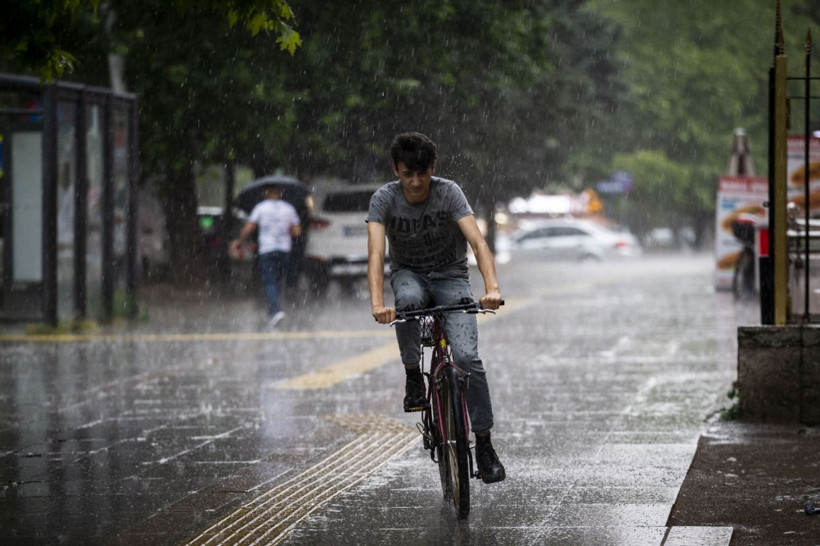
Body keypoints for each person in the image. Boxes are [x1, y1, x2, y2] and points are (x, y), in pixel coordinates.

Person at [366, 132, 506, 484]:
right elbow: (376, 254)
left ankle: (484, 444)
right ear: (396, 170)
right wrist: (378, 303)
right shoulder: (384, 198)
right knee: (408, 302)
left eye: (422, 174)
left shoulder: (449, 192)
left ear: (433, 168)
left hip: (451, 277)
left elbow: (478, 243)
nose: (415, 182)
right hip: (409, 275)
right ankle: (413, 373)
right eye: (407, 174)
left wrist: (491, 288)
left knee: (468, 359)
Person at [232, 183, 302, 329]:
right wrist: (285, 229)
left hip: (267, 250)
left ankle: (276, 311)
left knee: (270, 282)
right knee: (277, 281)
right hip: (284, 250)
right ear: (279, 193)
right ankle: (273, 312)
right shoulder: (288, 208)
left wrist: (239, 241)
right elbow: (297, 231)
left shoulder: (261, 208)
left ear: (266, 193)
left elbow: (249, 228)